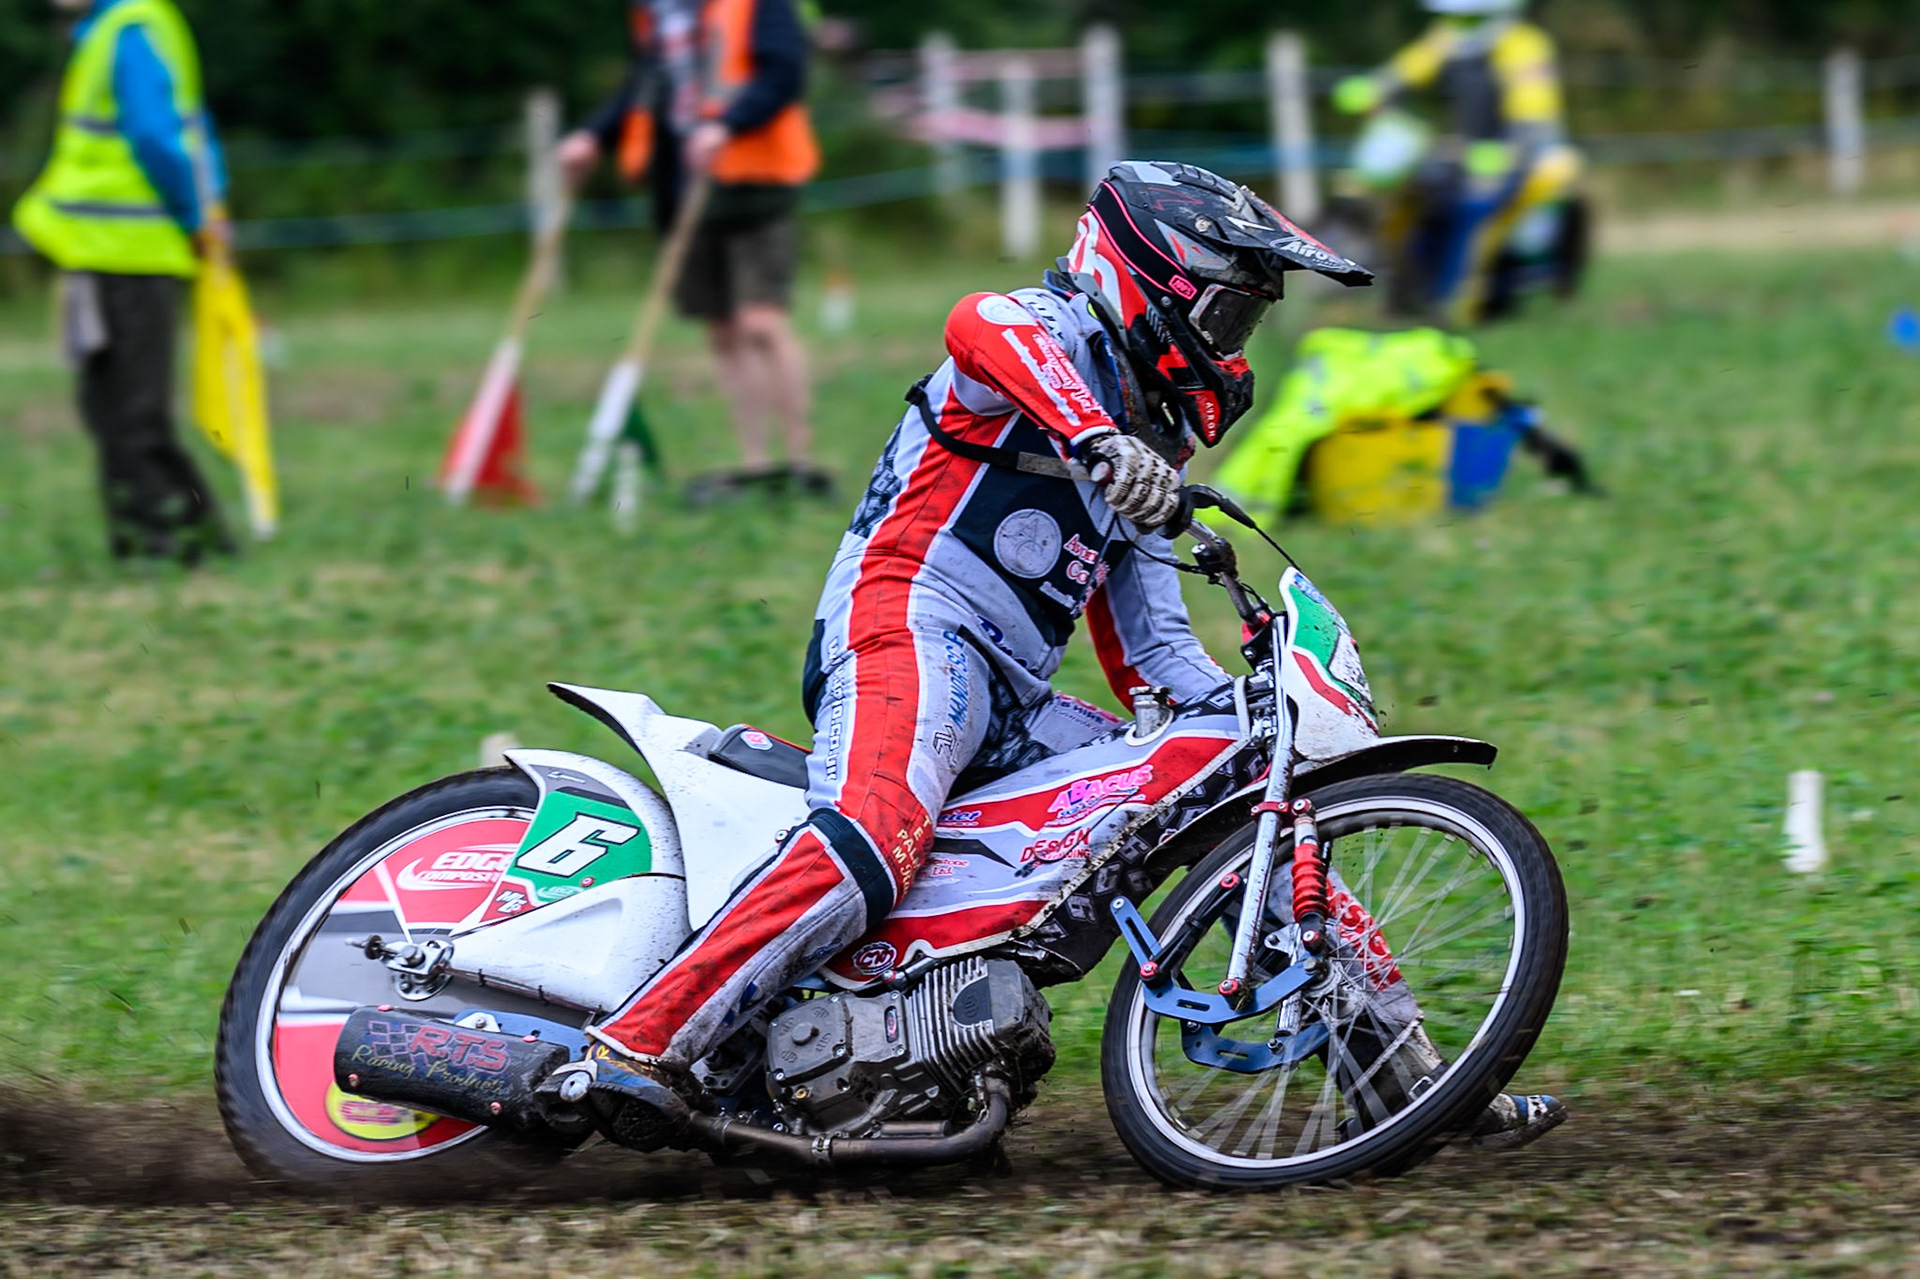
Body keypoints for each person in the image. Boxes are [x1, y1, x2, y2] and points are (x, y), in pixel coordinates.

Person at [554, 161, 1567, 1156]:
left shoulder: (1142, 446)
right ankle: (638, 1038)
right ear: (1155, 277)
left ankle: (1415, 1087)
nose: (1234, 345)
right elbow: (976, 321)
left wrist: (1244, 720)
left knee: (1233, 782)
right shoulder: (1048, 335)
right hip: (907, 624)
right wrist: (1093, 437)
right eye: (1227, 315)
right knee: (876, 830)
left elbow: (1150, 654)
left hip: (1010, 692)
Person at [559, 0, 825, 495]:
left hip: (754, 181)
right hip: (684, 189)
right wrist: (593, 136)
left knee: (761, 322)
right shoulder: (655, 13)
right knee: (722, 330)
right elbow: (644, 88)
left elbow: (784, 73)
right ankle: (754, 463)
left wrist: (729, 123)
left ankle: (799, 459)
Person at [12, 0, 234, 565]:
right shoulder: (107, 30)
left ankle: (168, 544)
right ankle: (172, 538)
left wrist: (196, 217)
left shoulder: (131, 30)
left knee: (132, 414)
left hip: (133, 254)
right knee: (110, 408)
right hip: (102, 254)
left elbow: (158, 136)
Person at [1334, 0, 1579, 321]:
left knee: (1478, 214)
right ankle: (1409, 289)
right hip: (1470, 152)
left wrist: (1509, 151)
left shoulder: (1523, 44)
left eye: (1468, 18)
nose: (1458, 25)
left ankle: (1467, 298)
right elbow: (1411, 67)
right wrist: (1377, 87)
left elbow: (1534, 110)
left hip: (1521, 154)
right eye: (1452, 16)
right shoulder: (1447, 37)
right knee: (1418, 197)